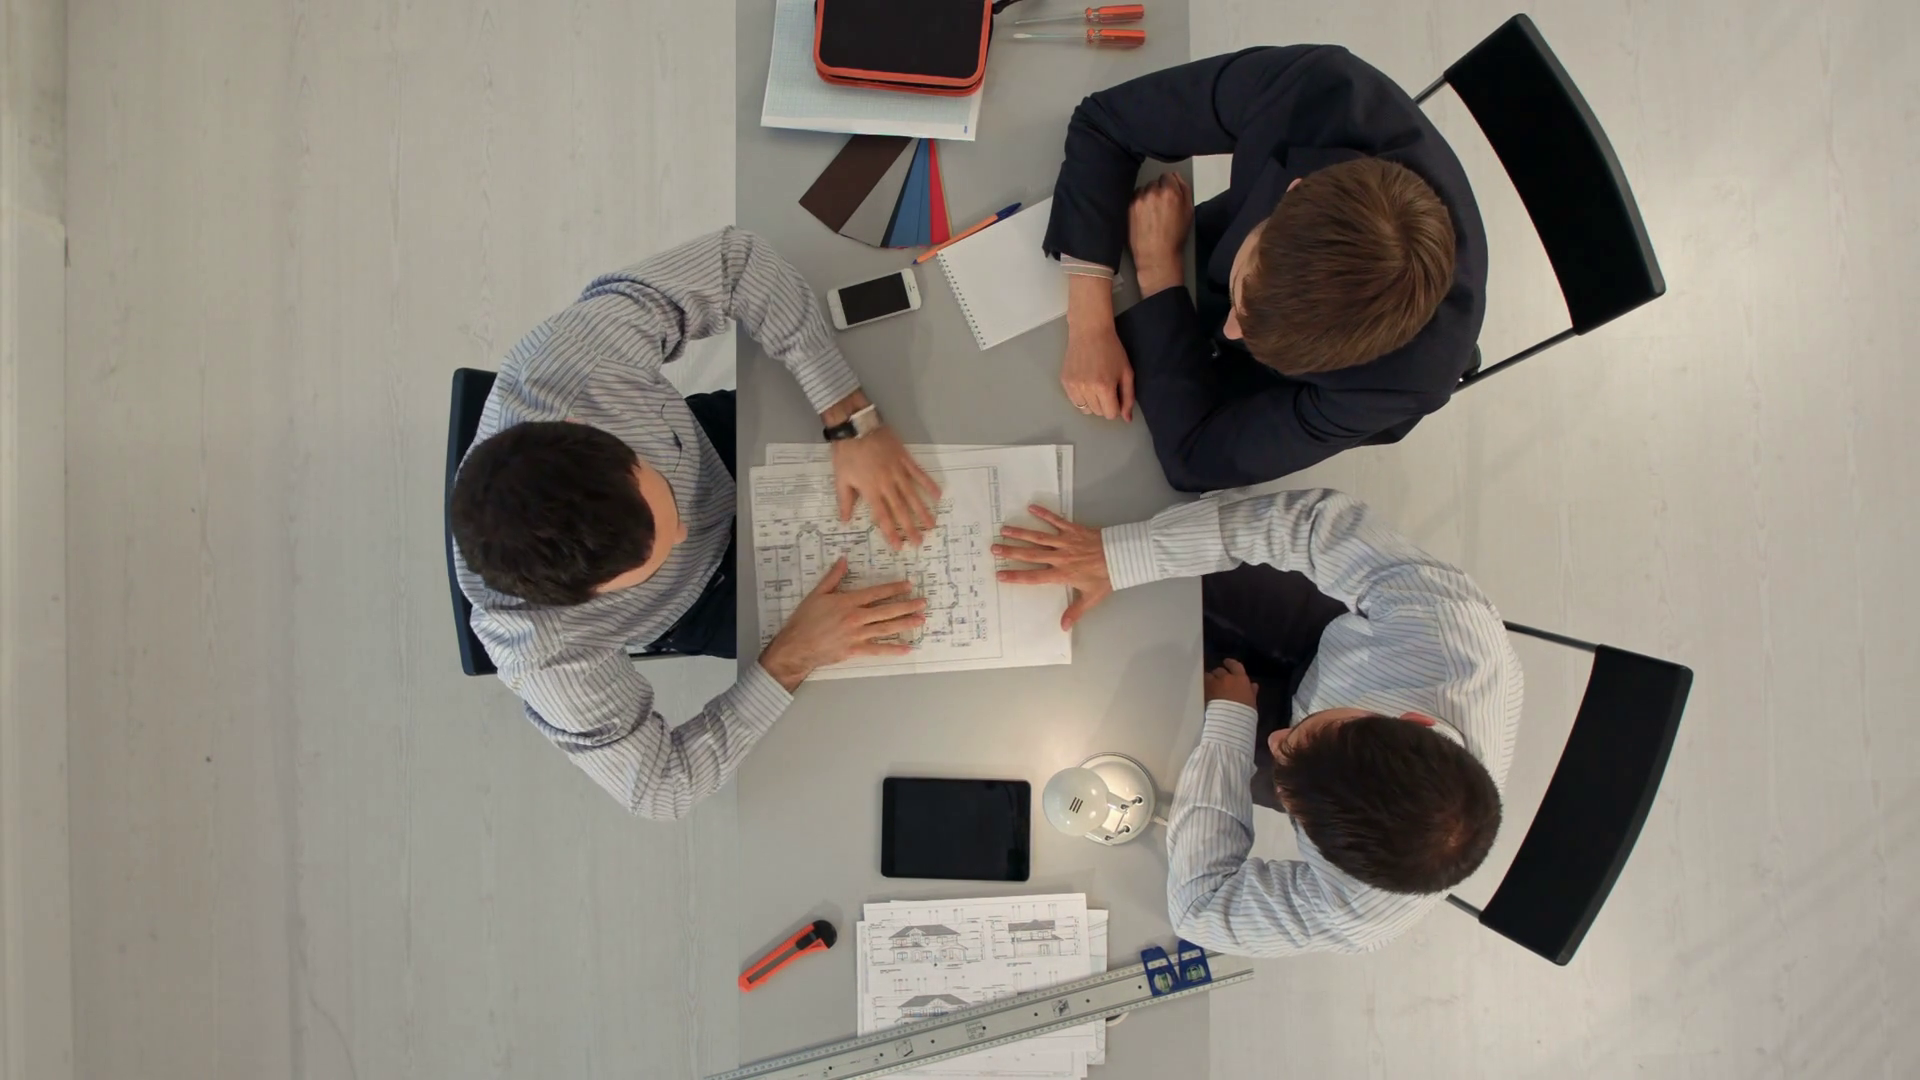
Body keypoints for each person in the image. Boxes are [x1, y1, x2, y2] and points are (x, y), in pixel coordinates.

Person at [450, 228, 939, 820]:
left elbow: (738, 261)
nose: (682, 530)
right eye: (652, 556)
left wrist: (847, 417)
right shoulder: (546, 654)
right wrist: (790, 657)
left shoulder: (573, 365)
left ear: (586, 428)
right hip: (703, 598)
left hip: (717, 449)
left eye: (659, 496)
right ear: (589, 598)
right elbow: (661, 788)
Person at [991, 488, 1521, 955]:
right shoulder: (1448, 634)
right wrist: (1121, 556)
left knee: (1133, 711)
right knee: (1154, 576)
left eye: (1288, 786)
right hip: (1336, 635)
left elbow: (1200, 908)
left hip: (1316, 744)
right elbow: (1309, 525)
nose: (1275, 739)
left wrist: (1229, 726)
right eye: (1311, 731)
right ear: (1416, 720)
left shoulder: (1358, 914)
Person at [1043, 46, 1489, 491]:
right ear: (1293, 192)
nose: (1229, 329)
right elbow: (1106, 123)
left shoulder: (1406, 381)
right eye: (1242, 300)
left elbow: (1199, 459)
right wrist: (1090, 323)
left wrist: (1160, 272)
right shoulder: (1314, 88)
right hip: (1210, 245)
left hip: (1258, 379)